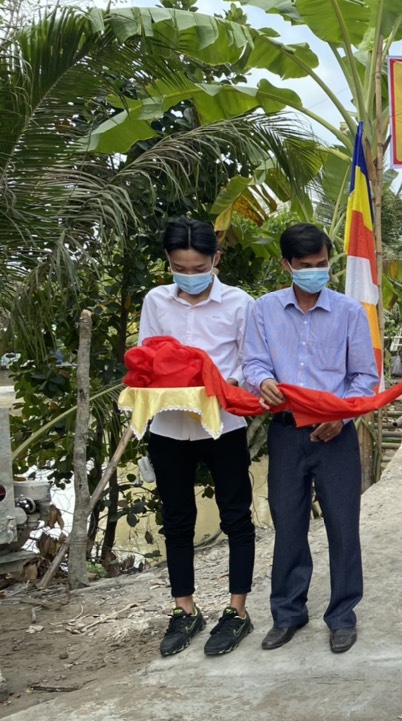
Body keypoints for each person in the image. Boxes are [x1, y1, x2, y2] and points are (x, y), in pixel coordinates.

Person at [243, 223, 379, 654]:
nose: (315, 273)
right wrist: (262, 381)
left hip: (336, 433)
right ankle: (287, 613)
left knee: (342, 525)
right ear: (287, 265)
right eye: (305, 266)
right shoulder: (264, 310)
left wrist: (340, 416)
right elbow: (252, 364)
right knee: (288, 524)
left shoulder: (349, 312)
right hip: (286, 432)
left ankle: (342, 616)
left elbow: (365, 377)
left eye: (322, 265)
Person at [139, 218, 257, 657]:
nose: (189, 276)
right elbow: (146, 357)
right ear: (169, 263)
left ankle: (237, 610)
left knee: (235, 516)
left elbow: (251, 363)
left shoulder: (240, 303)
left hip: (222, 424)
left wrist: (221, 383)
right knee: (177, 520)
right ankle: (184, 608)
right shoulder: (156, 301)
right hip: (169, 425)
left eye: (197, 267)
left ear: (215, 260)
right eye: (179, 267)